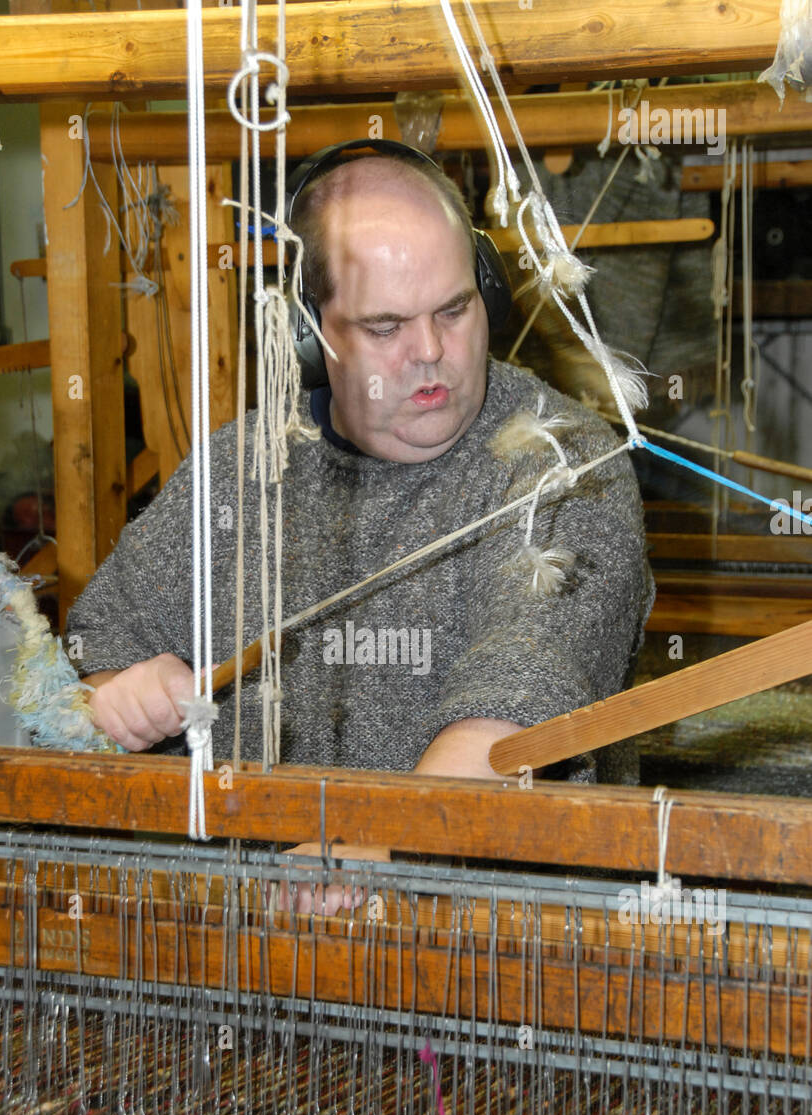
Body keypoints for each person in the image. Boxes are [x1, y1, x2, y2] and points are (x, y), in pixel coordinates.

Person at [67, 147, 654, 905]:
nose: (432, 352)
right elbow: (90, 657)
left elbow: (511, 716)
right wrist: (118, 691)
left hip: (500, 955)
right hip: (266, 943)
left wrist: (379, 843)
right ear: (309, 337)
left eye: (454, 309)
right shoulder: (239, 469)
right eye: (384, 326)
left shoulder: (562, 464)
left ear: (490, 295)